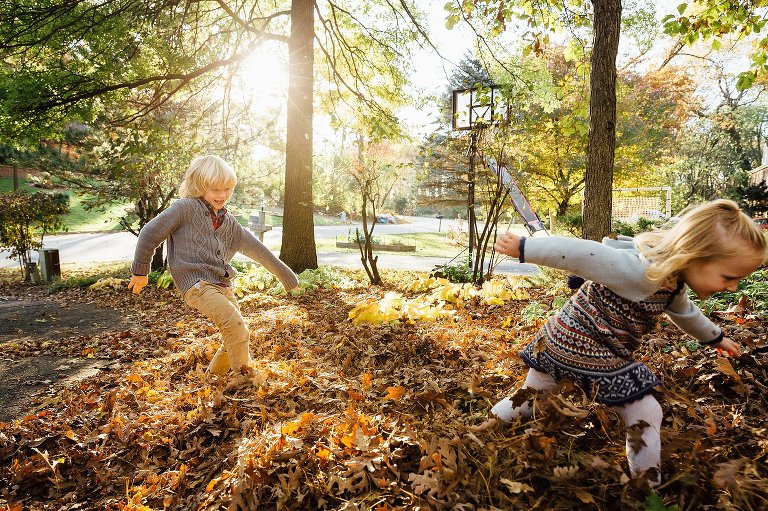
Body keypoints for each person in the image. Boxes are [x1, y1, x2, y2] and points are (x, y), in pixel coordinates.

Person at [488, 199, 766, 485]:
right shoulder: (641, 273)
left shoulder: (671, 280)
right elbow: (583, 254)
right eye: (729, 277)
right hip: (586, 344)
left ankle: (486, 426)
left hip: (558, 337)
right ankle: (647, 487)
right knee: (645, 410)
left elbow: (686, 314)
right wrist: (525, 248)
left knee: (532, 396)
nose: (733, 287)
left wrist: (716, 337)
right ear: (695, 255)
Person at [127, 155, 299, 375]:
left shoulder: (229, 223)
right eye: (216, 189)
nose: (223, 195)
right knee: (236, 329)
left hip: (221, 284)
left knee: (237, 333)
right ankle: (245, 381)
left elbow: (259, 251)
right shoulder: (185, 209)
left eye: (227, 188)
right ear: (199, 186)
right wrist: (141, 271)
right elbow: (149, 233)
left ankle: (213, 381)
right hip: (197, 284)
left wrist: (287, 277)